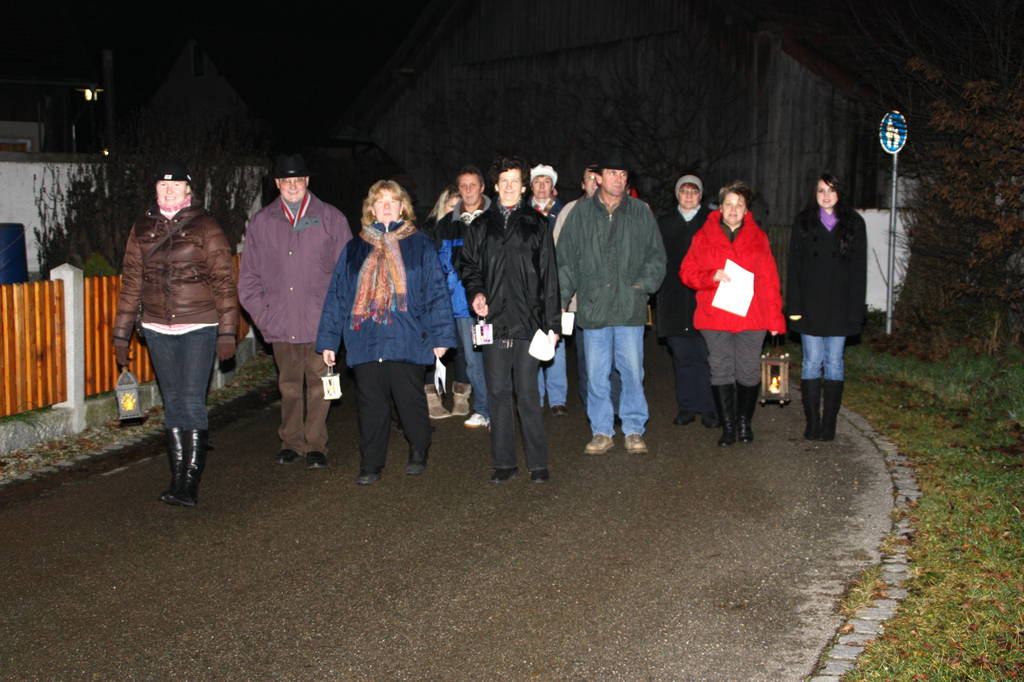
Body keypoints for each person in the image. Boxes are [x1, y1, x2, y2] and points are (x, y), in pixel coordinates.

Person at [112, 160, 238, 507]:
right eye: (162, 185)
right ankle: (177, 477)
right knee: (173, 402)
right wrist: (121, 335)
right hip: (155, 327)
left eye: (176, 185)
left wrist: (228, 330)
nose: (168, 190)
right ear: (155, 189)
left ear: (188, 190)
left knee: (192, 399)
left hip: (198, 324)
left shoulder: (206, 226)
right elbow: (131, 283)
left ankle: (190, 483)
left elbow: (223, 280)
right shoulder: (142, 227)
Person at [316, 180, 455, 485]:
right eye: (381, 201)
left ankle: (419, 449)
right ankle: (371, 463)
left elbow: (436, 291)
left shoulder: (419, 244)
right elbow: (338, 295)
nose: (388, 205)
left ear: (403, 206)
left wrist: (441, 337)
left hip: (407, 337)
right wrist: (329, 340)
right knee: (371, 406)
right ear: (371, 208)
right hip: (365, 339)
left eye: (394, 200)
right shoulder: (355, 248)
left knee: (409, 401)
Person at [238, 154, 352, 469]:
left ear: (307, 182)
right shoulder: (263, 222)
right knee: (289, 385)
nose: (292, 186)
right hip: (280, 322)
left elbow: (347, 274)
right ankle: (291, 441)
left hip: (320, 323)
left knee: (320, 386)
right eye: (286, 181)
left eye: (298, 180)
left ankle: (316, 444)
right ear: (277, 184)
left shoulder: (331, 218)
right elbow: (248, 278)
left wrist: (336, 319)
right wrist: (264, 317)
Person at [460, 155, 560, 483]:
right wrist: (476, 293)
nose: (509, 187)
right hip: (492, 323)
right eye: (503, 181)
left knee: (527, 393)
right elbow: (469, 267)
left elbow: (550, 278)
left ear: (524, 185)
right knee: (499, 393)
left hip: (529, 324)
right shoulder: (479, 226)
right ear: (494, 185)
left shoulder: (537, 224)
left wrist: (553, 326)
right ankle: (503, 463)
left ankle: (538, 462)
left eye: (515, 181)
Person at [557, 161, 666, 455]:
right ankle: (602, 430)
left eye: (623, 174)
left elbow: (657, 256)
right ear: (598, 177)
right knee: (596, 373)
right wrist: (562, 302)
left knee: (632, 372)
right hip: (593, 308)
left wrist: (643, 285)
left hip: (629, 308)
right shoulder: (580, 214)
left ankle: (633, 429)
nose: (619, 179)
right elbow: (565, 261)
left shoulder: (640, 212)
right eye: (612, 174)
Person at [680, 180, 786, 446]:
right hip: (715, 316)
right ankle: (727, 426)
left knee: (749, 372)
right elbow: (686, 272)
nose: (734, 209)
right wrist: (710, 276)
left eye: (739, 205)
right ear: (720, 207)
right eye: (729, 204)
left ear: (747, 210)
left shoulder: (758, 237)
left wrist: (775, 319)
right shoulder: (703, 235)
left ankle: (743, 423)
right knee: (721, 370)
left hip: (752, 316)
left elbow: (770, 280)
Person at [786, 173, 867, 441]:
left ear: (839, 192)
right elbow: (794, 269)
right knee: (811, 362)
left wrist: (856, 312)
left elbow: (859, 272)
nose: (826, 195)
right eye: (821, 190)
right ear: (814, 193)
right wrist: (794, 308)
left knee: (834, 362)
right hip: (810, 305)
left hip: (840, 307)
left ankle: (829, 423)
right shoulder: (803, 222)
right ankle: (812, 422)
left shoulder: (854, 223)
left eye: (831, 190)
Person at [426, 166, 492, 428]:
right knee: (474, 361)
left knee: (499, 360)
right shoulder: (446, 225)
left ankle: (502, 410)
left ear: (482, 187)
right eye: (463, 185)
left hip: (496, 302)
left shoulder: (496, 218)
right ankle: (484, 409)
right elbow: (440, 266)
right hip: (463, 306)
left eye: (472, 185)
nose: (467, 190)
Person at [656, 174, 717, 428]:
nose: (689, 196)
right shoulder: (665, 222)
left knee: (705, 355)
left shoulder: (712, 221)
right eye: (684, 191)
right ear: (677, 194)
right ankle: (687, 406)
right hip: (673, 297)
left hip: (704, 296)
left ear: (700, 195)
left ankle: (709, 407)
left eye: (694, 191)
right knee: (682, 356)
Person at [530, 163, 568, 415]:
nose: (542, 187)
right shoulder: (523, 211)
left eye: (546, 182)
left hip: (556, 281)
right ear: (530, 186)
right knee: (531, 338)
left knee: (556, 338)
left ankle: (557, 398)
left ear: (552, 186)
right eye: (537, 182)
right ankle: (534, 395)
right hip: (531, 284)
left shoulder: (564, 212)